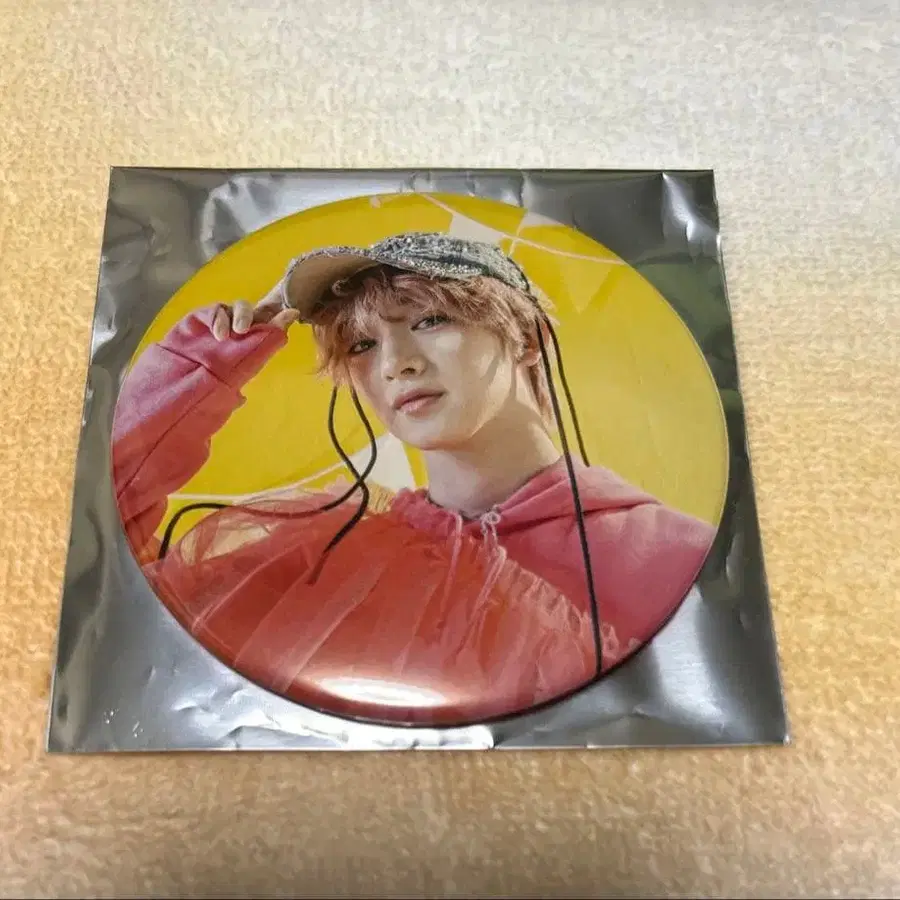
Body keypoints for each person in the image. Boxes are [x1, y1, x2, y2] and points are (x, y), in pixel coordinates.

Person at [111, 231, 716, 727]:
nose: (396, 363)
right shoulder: (327, 562)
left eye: (431, 319)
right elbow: (101, 571)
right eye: (361, 344)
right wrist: (208, 360)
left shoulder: (676, 554)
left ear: (527, 339)